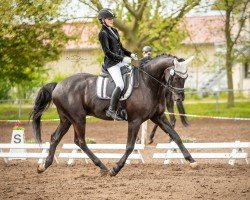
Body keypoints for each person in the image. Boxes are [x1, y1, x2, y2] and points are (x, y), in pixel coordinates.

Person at [98, 8, 138, 120]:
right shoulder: (103, 33)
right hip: (111, 64)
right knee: (120, 84)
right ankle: (111, 110)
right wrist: (123, 59)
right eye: (109, 19)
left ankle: (123, 108)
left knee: (132, 75)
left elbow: (121, 47)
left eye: (112, 18)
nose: (112, 20)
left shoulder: (114, 31)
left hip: (119, 61)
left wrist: (130, 54)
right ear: (103, 20)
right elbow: (107, 53)